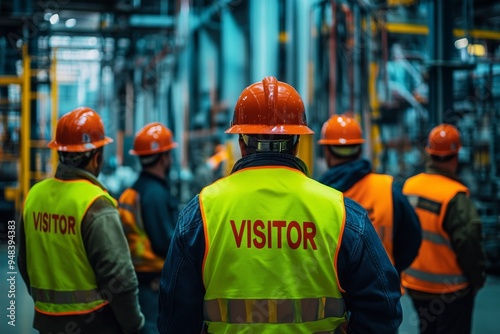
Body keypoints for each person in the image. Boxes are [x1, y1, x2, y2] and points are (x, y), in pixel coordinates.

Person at [158, 76, 402, 333]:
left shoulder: (202, 213)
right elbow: (383, 308)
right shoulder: (341, 213)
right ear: (297, 144)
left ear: (241, 143)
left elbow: (174, 315)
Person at [18, 106, 145, 334]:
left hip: (47, 323)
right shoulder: (95, 202)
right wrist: (135, 326)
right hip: (94, 325)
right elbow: (120, 280)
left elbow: (22, 263)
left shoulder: (33, 196)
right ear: (96, 158)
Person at [401, 123, 486, 334]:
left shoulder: (408, 186)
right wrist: (477, 278)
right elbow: (468, 243)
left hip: (415, 284)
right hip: (451, 290)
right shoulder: (454, 196)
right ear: (456, 156)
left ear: (429, 154)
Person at [316, 114, 422, 274]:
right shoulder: (388, 188)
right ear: (359, 149)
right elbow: (412, 239)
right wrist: (389, 270)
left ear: (327, 151)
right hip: (383, 292)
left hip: (335, 292)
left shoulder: (318, 195)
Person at [118, 122, 179, 334]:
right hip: (152, 287)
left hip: (136, 283)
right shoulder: (155, 195)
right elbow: (167, 244)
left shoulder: (133, 191)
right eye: (169, 154)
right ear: (163, 158)